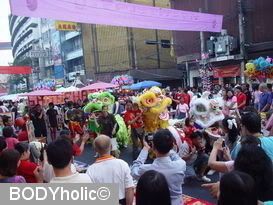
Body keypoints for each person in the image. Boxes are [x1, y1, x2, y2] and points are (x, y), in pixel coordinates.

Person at [131, 129, 186, 205]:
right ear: (172, 146)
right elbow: (175, 157)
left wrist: (145, 148)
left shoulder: (146, 170)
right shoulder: (181, 165)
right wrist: (168, 148)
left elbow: (134, 171)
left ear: (153, 146)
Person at [86, 135, 134, 205]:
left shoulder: (90, 170)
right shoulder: (122, 164)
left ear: (95, 149)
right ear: (111, 147)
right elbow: (129, 189)